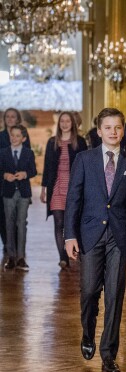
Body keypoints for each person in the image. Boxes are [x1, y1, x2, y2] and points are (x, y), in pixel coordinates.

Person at [64, 107, 126, 372]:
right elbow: (73, 198)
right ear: (99, 131)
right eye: (107, 127)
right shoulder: (84, 159)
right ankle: (87, 333)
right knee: (88, 291)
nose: (113, 132)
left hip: (119, 239)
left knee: (114, 296)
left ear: (123, 130)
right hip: (89, 235)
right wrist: (69, 235)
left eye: (118, 127)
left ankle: (109, 355)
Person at [41, 112, 88, 269]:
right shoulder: (52, 142)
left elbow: (86, 167)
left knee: (75, 221)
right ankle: (63, 258)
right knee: (59, 223)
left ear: (72, 123)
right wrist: (43, 189)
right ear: (59, 123)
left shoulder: (80, 142)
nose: (65, 123)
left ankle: (77, 252)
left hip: (75, 187)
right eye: (62, 121)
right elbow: (47, 167)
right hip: (56, 186)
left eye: (68, 121)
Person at [0, 125, 36, 271]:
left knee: (21, 224)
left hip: (23, 193)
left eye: (17, 136)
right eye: (12, 135)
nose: (14, 138)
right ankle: (11, 257)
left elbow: (33, 170)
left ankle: (21, 257)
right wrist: (4, 175)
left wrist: (25, 174)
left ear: (24, 138)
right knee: (8, 223)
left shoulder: (29, 153)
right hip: (8, 193)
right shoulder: (2, 153)